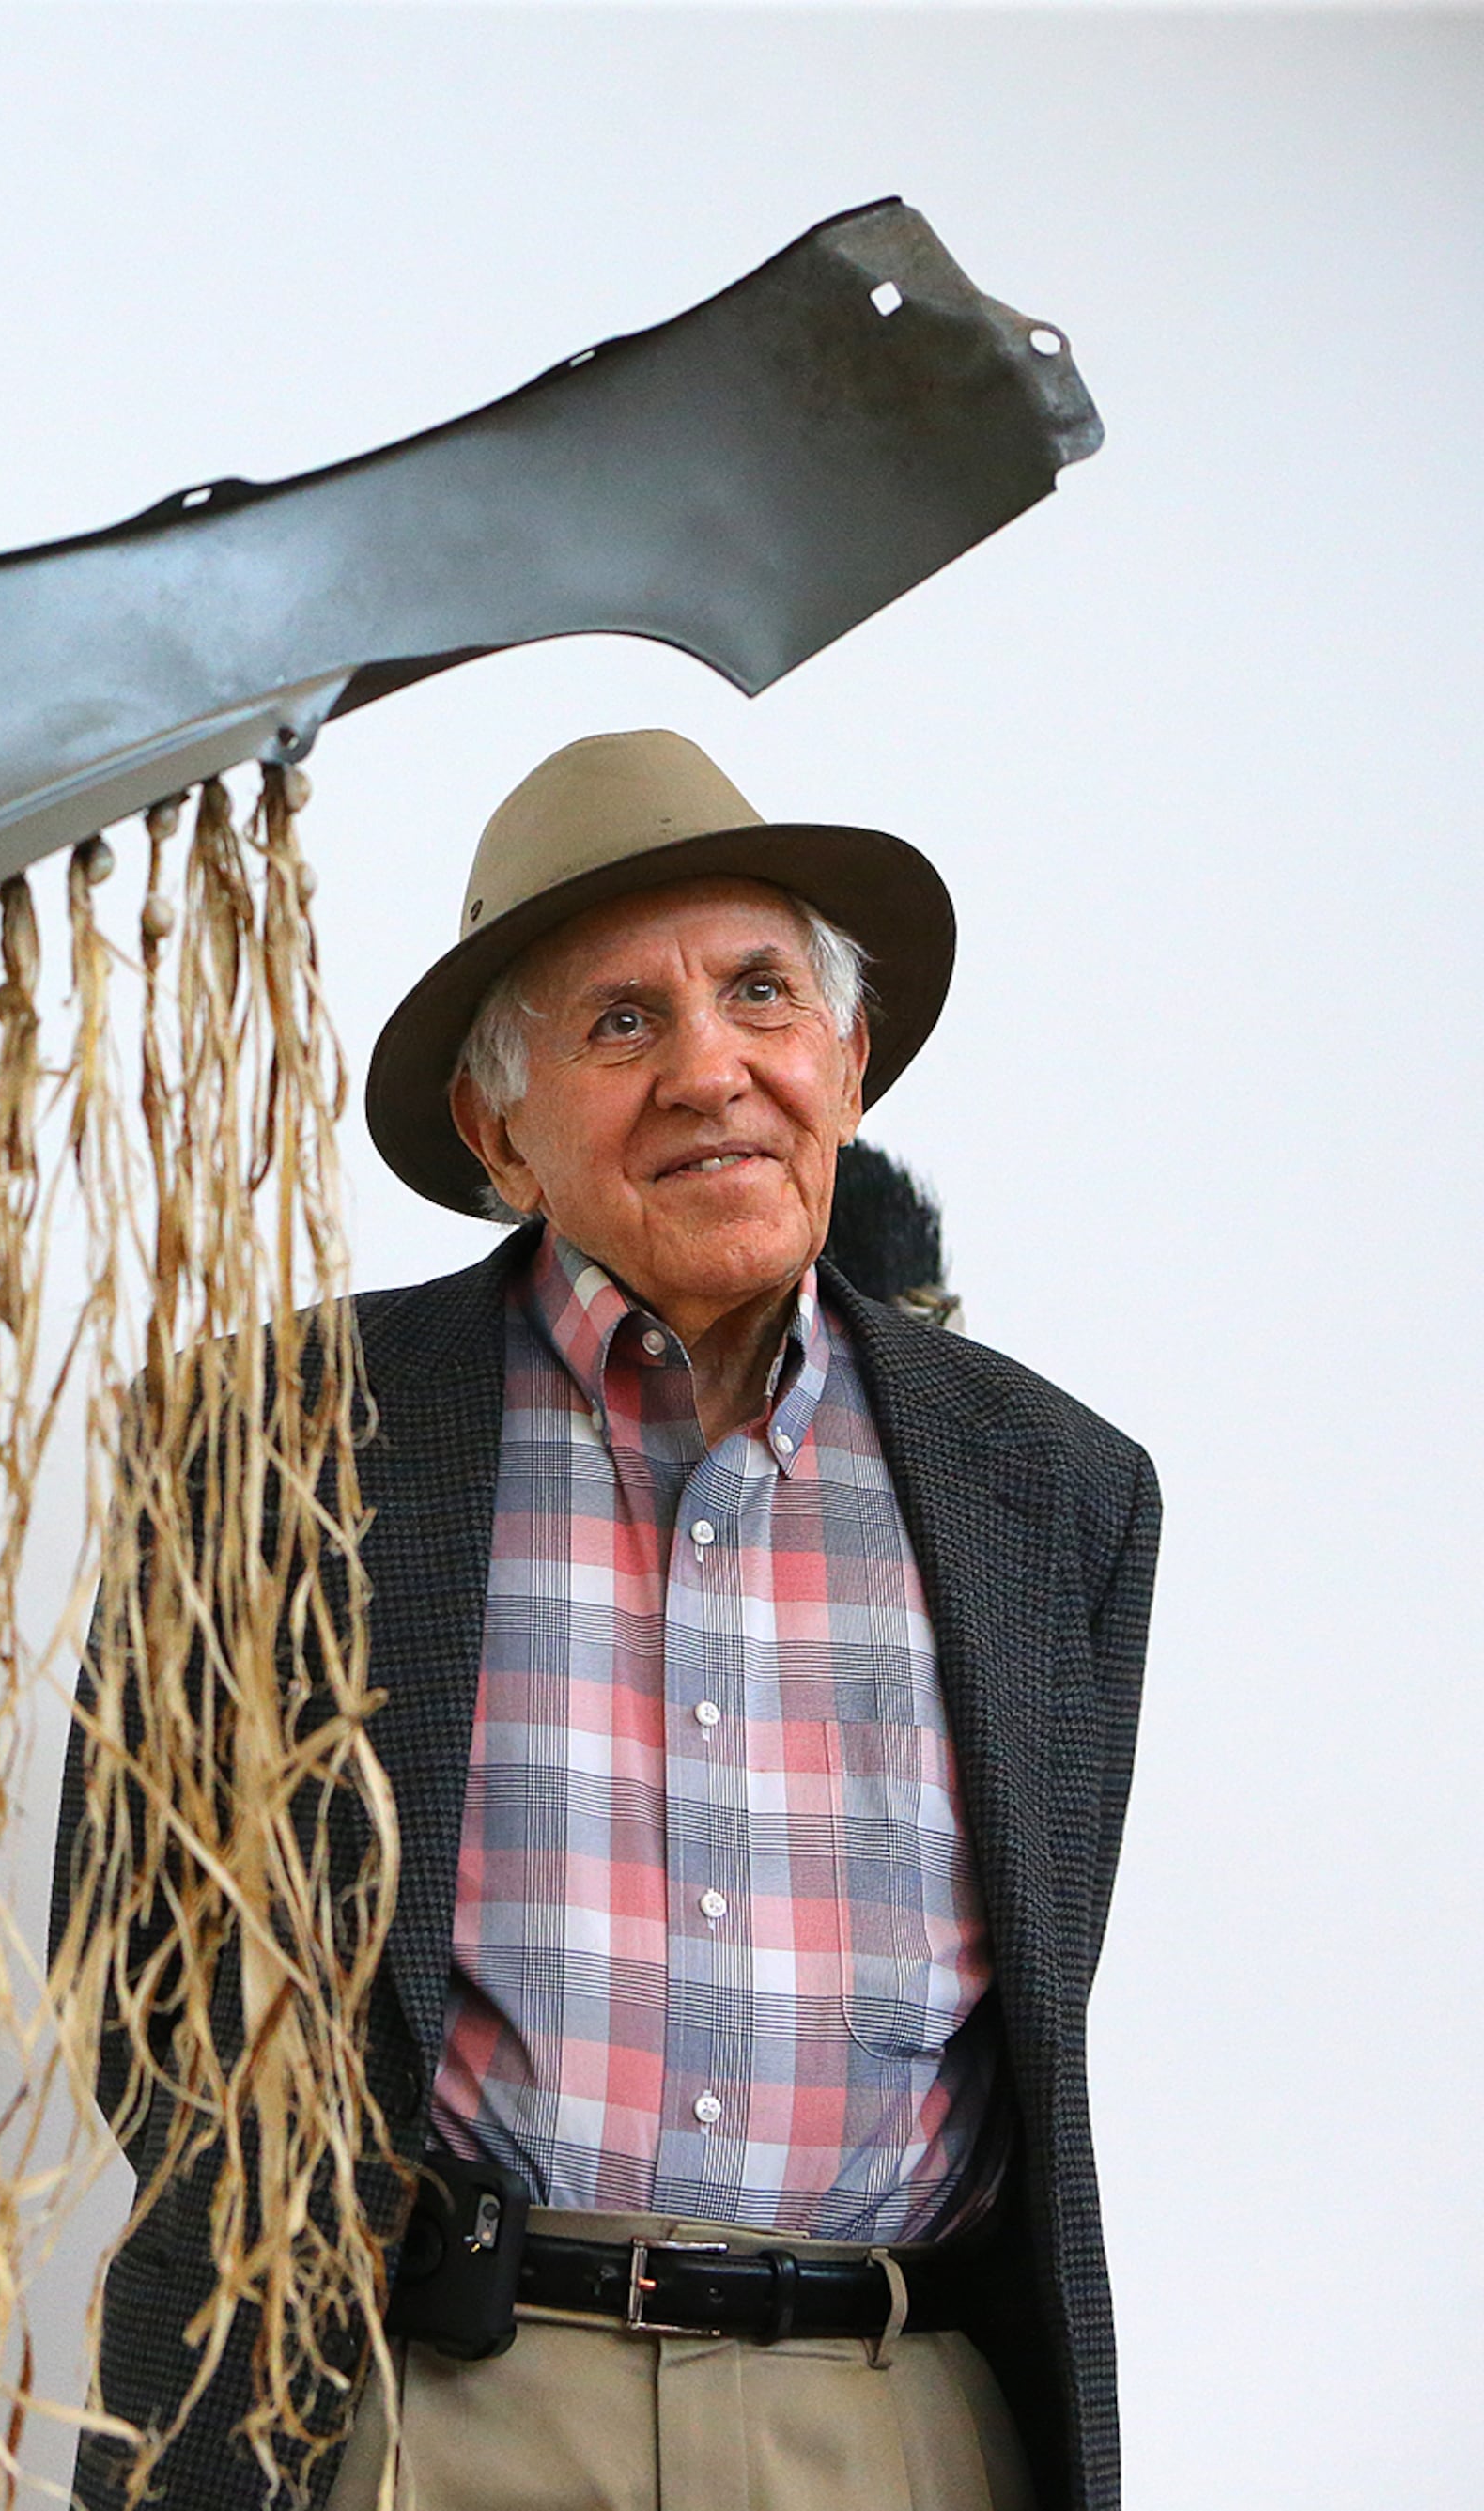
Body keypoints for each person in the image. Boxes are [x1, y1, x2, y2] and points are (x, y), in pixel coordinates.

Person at [73, 731, 1157, 2511]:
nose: (712, 1068)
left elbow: (1034, 2017)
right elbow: (149, 1984)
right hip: (442, 2413)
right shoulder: (273, 1443)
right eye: (623, 1022)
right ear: (500, 1134)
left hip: (897, 2427)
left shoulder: (1057, 1493)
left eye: (759, 995)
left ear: (849, 1061)